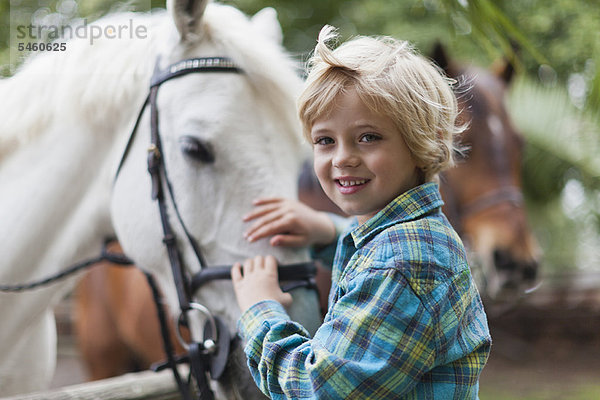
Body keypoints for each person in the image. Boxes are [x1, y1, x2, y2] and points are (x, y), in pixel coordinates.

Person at [231, 25, 491, 399]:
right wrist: (326, 230)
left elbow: (319, 387)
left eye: (368, 137)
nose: (342, 158)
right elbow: (376, 251)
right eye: (325, 140)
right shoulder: (414, 237)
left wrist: (259, 311)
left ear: (421, 143)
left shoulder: (403, 264)